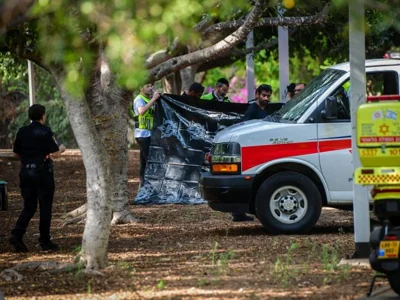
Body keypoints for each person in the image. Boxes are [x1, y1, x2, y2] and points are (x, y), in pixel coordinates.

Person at [9, 104, 66, 252]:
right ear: (43, 116)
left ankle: (17, 234)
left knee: (29, 206)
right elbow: (55, 153)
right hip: (43, 174)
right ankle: (45, 241)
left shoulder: (22, 132)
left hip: (26, 174)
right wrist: (61, 149)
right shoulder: (45, 132)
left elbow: (16, 154)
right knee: (45, 207)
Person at [133, 83, 161, 188]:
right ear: (140, 87)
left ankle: (143, 186)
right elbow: (141, 111)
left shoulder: (147, 100)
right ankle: (146, 185)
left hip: (149, 134)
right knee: (149, 160)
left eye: (151, 86)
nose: (150, 88)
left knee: (144, 161)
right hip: (142, 135)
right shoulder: (139, 99)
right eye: (147, 86)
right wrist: (153, 99)